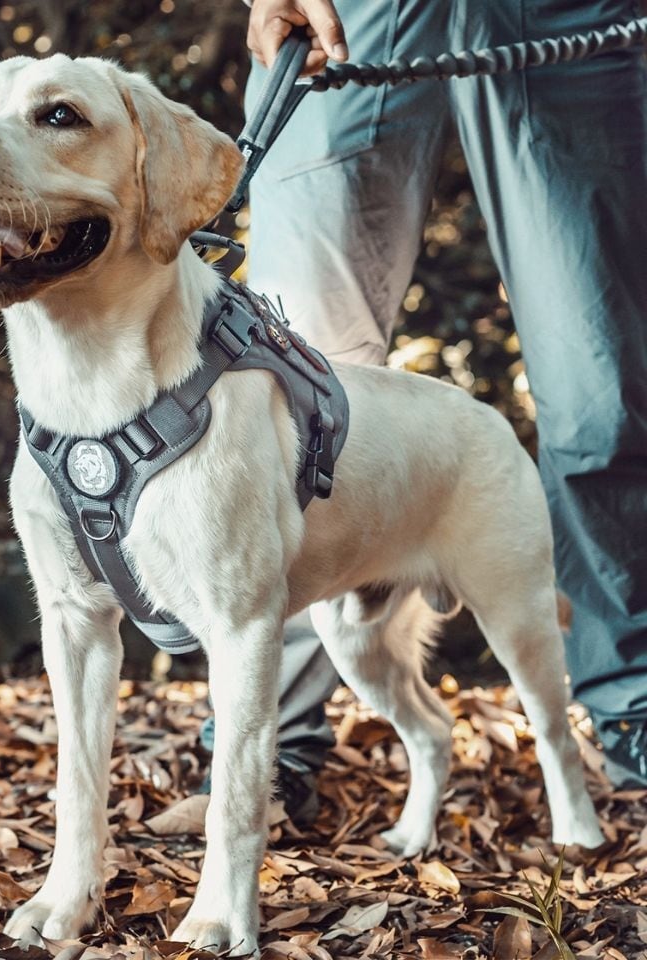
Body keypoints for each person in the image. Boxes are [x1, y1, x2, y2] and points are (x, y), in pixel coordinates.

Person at [235, 0, 647, 805]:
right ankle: (263, 741)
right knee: (292, 382)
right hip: (341, 11)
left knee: (602, 392)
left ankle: (634, 702)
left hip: (567, 13)